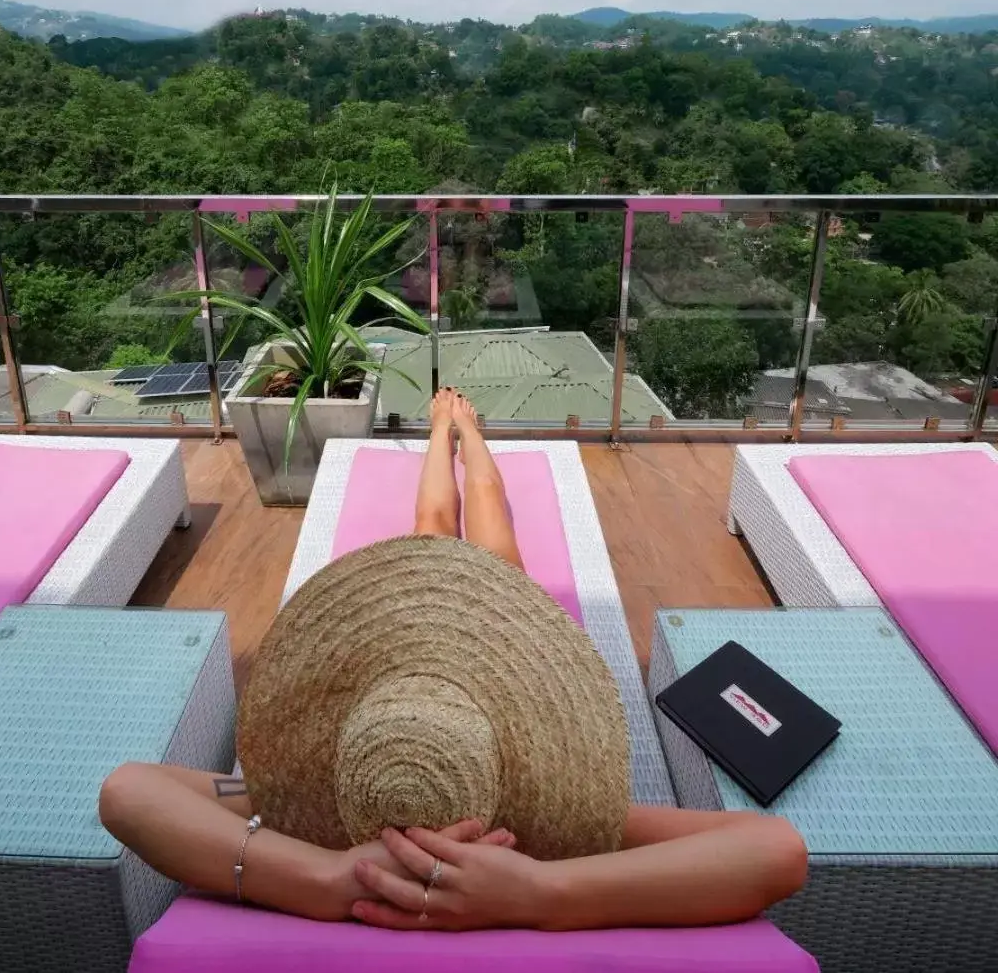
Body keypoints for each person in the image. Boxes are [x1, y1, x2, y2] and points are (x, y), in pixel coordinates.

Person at [100, 390, 807, 931]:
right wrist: (537, 894)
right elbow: (775, 851)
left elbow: (131, 792)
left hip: (354, 809)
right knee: (486, 533)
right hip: (502, 776)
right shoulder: (551, 821)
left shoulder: (308, 804)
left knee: (435, 529)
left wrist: (328, 878)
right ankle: (463, 430)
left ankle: (444, 429)